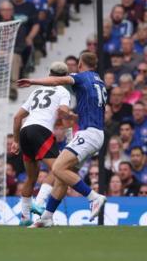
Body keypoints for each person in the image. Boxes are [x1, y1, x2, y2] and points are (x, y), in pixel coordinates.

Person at [18, 52, 107, 228]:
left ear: (80, 64)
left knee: (58, 167)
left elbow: (57, 81)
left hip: (88, 134)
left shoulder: (82, 77)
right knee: (62, 176)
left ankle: (94, 197)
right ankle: (47, 217)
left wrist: (33, 81)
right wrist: (71, 116)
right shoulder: (100, 82)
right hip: (95, 133)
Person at [11, 62, 72, 226]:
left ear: (49, 73)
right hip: (41, 131)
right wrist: (69, 132)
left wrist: (16, 141)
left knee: (31, 177)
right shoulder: (63, 91)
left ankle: (24, 218)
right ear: (65, 77)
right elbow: (64, 112)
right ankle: (41, 205)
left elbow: (17, 117)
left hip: (25, 131)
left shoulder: (36, 90)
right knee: (61, 170)